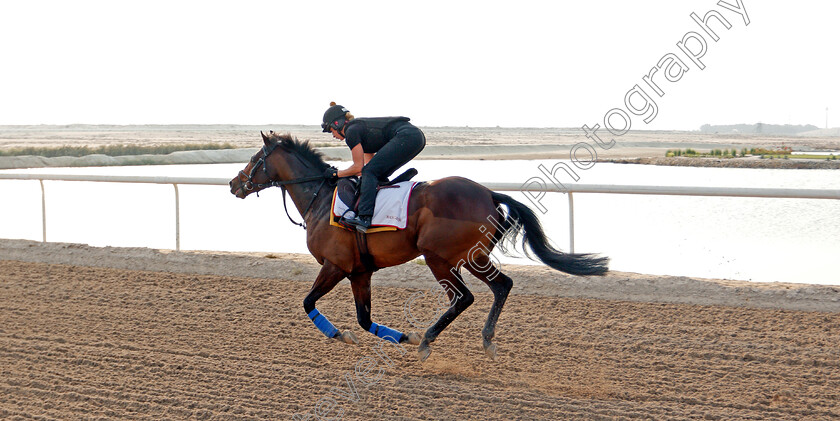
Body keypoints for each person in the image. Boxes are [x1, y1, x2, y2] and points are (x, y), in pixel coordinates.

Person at [321, 102, 426, 232]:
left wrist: (336, 174)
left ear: (337, 124)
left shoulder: (351, 132)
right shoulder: (358, 130)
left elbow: (358, 168)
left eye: (331, 131)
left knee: (369, 172)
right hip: (414, 137)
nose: (333, 136)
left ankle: (364, 218)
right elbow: (366, 168)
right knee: (373, 173)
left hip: (406, 136)